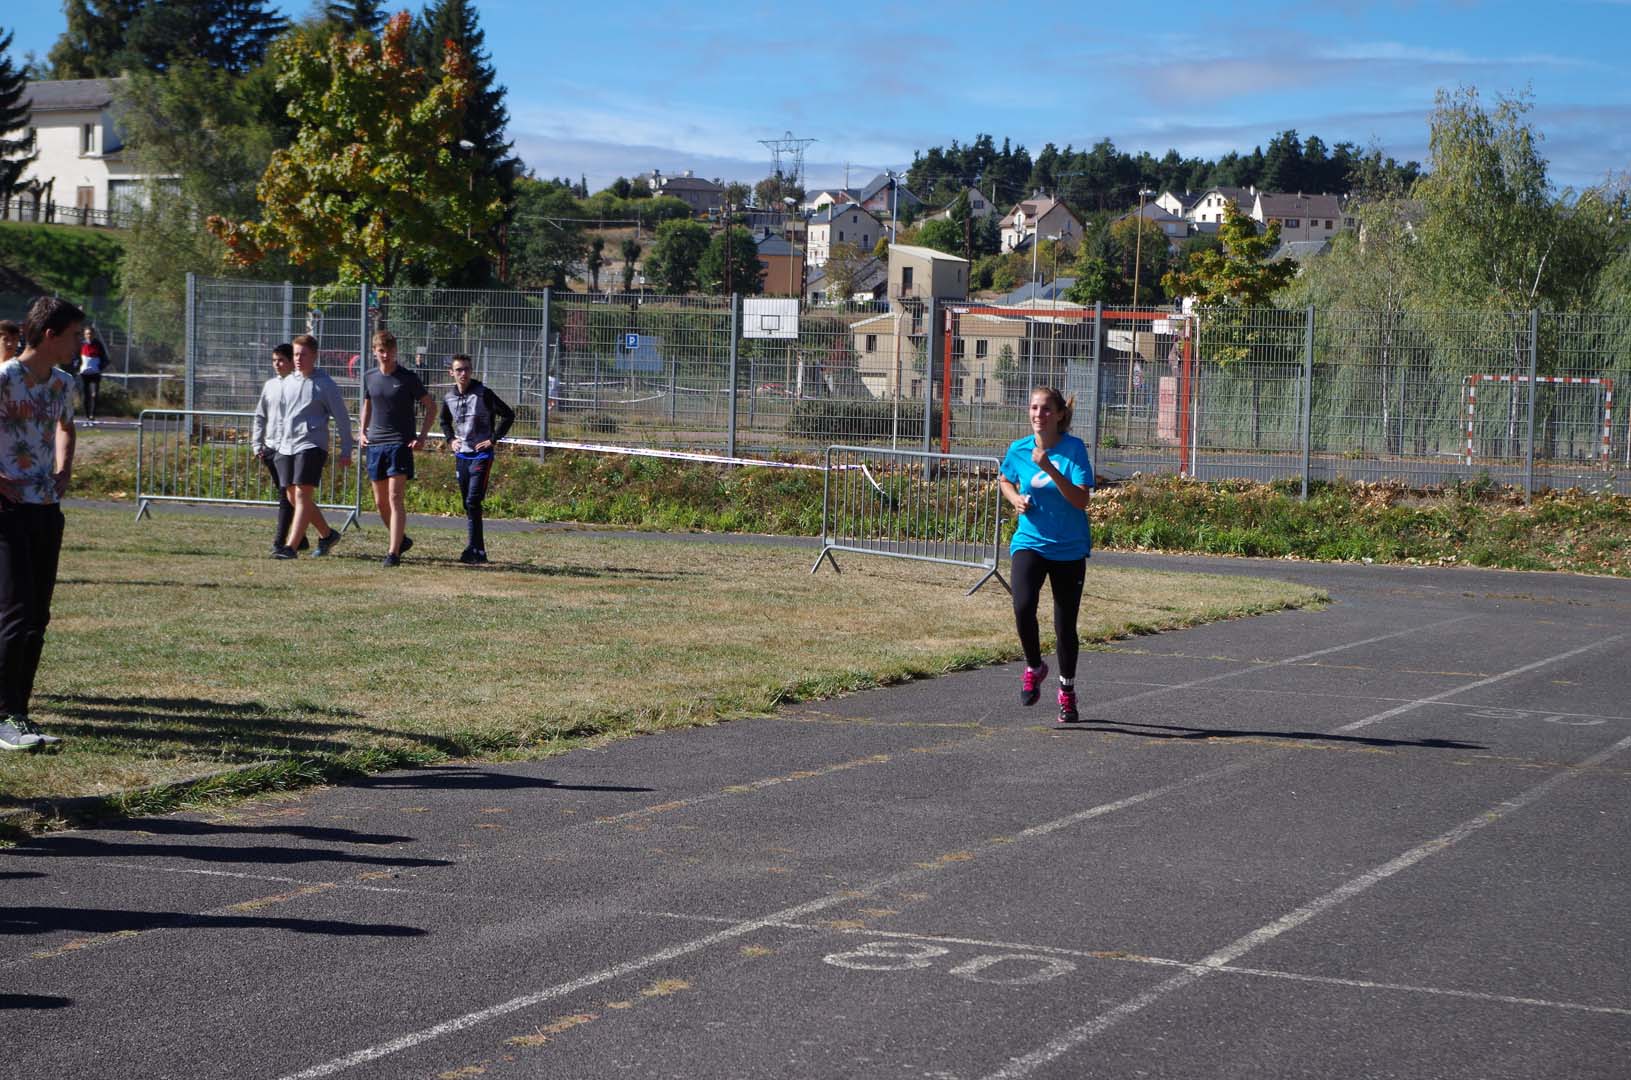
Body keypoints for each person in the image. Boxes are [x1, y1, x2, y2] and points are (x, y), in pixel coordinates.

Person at [0, 297, 81, 751]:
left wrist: (64, 468)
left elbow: (67, 427)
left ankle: (18, 714)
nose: (79, 344)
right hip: (6, 508)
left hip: (46, 507)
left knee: (36, 616)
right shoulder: (4, 378)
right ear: (50, 334)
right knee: (14, 614)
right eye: (73, 335)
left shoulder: (64, 382)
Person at [998, 385, 1094, 725]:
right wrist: (1015, 499)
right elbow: (1005, 479)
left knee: (1064, 625)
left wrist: (1050, 468)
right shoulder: (1019, 449)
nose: (1039, 414)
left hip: (1068, 548)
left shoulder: (1073, 449)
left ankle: (1067, 691)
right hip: (1030, 541)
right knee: (1023, 606)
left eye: (1046, 409)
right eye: (1034, 408)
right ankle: (1034, 666)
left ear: (1060, 414)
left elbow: (1081, 501)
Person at [272, 334, 353, 559]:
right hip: (286, 445)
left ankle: (290, 548)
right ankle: (327, 534)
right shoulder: (288, 381)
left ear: (314, 356)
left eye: (303, 354)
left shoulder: (325, 384)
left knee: (302, 494)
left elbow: (342, 418)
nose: (298, 359)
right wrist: (274, 442)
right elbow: (281, 416)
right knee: (293, 496)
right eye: (296, 354)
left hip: (311, 444)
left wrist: (347, 448)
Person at [359, 329, 434, 567]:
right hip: (375, 444)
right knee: (380, 502)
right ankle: (401, 540)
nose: (386, 355)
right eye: (381, 351)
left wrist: (422, 436)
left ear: (396, 351)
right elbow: (367, 405)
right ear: (374, 351)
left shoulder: (408, 378)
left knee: (395, 497)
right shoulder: (369, 377)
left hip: (399, 444)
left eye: (390, 351)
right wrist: (362, 431)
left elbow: (431, 407)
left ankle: (393, 553)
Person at [439, 354, 514, 564]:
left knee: (473, 500)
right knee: (468, 504)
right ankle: (478, 551)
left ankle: (474, 548)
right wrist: (450, 439)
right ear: (451, 373)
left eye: (467, 369)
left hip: (481, 455)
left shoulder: (483, 393)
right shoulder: (449, 397)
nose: (463, 374)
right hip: (462, 455)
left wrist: (493, 439)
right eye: (459, 370)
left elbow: (508, 415)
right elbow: (444, 420)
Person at [252, 344, 305, 554]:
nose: (277, 364)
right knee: (288, 496)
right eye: (274, 360)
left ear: (292, 362)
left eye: (281, 360)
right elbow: (260, 416)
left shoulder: (300, 385)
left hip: (290, 448)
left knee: (287, 496)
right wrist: (257, 444)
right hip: (271, 447)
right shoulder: (270, 385)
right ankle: (302, 538)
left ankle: (280, 542)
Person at [77, 327, 107, 421]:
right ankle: (87, 415)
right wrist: (77, 366)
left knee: (94, 394)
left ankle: (92, 415)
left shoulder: (98, 344)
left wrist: (100, 367)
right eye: (87, 334)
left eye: (91, 333)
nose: (89, 335)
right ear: (84, 335)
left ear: (94, 334)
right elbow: (76, 357)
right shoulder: (81, 344)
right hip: (84, 374)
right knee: (86, 395)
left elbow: (105, 358)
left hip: (95, 374)